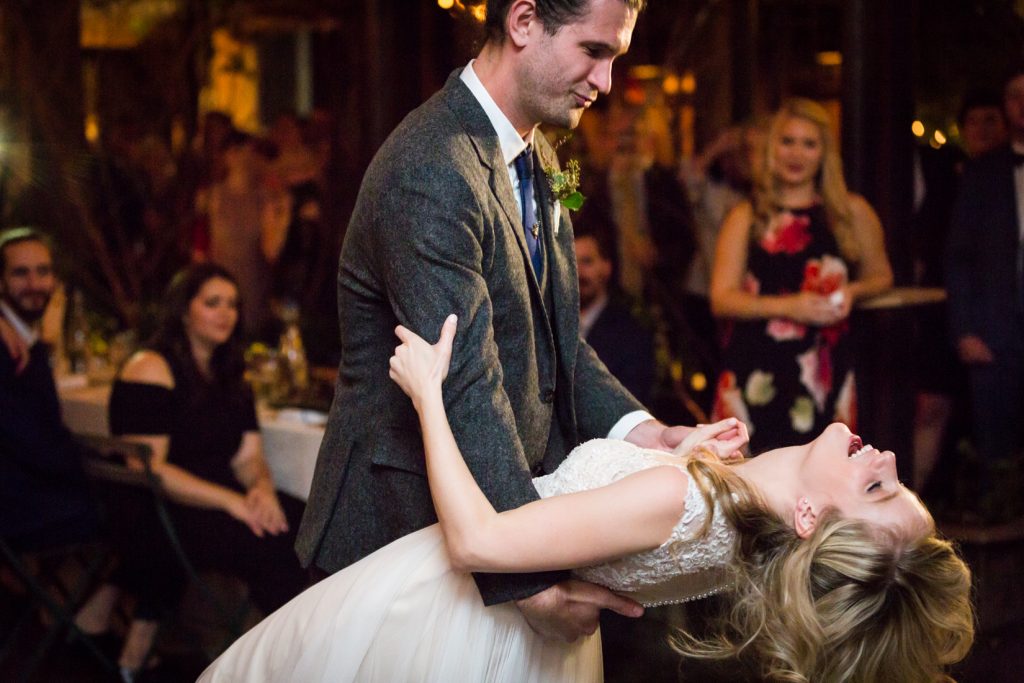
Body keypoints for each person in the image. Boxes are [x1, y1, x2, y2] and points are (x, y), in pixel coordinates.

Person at [294, 0, 743, 646]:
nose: (607, 82)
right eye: (595, 52)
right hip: (400, 533)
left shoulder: (543, 158)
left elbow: (564, 349)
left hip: (494, 521)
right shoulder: (433, 167)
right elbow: (466, 382)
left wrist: (653, 433)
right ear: (524, 22)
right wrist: (528, 580)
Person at [200, 316, 973, 682]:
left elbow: (477, 541)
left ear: (809, 520)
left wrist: (429, 396)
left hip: (458, 622)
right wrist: (673, 442)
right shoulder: (730, 516)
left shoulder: (684, 498)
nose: (889, 455)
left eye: (879, 485)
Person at [76, 263, 307, 678]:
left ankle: (294, 653)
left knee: (303, 522)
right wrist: (235, 502)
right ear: (184, 310)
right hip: (163, 506)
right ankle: (279, 662)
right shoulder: (151, 366)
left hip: (217, 495)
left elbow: (248, 457)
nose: (226, 313)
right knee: (270, 544)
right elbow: (151, 469)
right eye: (212, 303)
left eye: (233, 304)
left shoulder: (231, 373)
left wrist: (262, 490)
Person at [710, 98, 894, 452]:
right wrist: (792, 306)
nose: (797, 154)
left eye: (809, 143)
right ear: (770, 148)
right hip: (756, 367)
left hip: (827, 367)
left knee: (829, 483)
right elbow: (722, 298)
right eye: (787, 141)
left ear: (825, 152)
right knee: (752, 490)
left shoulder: (850, 213)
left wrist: (852, 292)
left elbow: (882, 275)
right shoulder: (747, 216)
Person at [945, 66, 1024, 515]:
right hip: (994, 334)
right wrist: (965, 330)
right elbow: (958, 257)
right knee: (996, 454)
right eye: (1015, 95)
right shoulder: (982, 173)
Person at [0, 227, 98, 549]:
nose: (34, 284)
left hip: (31, 490)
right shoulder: (7, 348)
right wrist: (94, 466)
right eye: (20, 273)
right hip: (18, 506)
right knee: (144, 512)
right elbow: (30, 441)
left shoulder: (27, 340)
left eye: (43, 272)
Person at [576, 231, 656, 405]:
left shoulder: (631, 333)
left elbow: (632, 401)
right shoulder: (549, 324)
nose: (578, 271)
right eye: (571, 262)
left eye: (587, 262)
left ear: (606, 267)